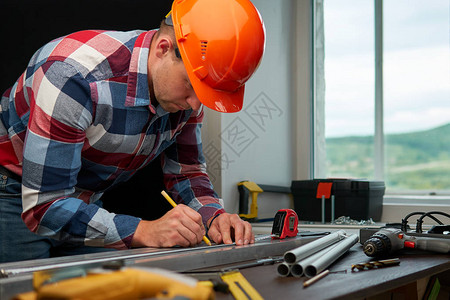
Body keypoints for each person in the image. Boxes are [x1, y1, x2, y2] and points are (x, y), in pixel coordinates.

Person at [0, 0, 265, 263]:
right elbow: (45, 206)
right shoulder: (74, 76)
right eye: (193, 87)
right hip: (17, 194)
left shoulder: (186, 96)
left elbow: (187, 172)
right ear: (164, 48)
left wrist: (214, 216)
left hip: (85, 202)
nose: (196, 105)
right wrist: (144, 231)